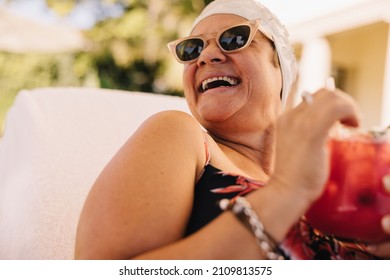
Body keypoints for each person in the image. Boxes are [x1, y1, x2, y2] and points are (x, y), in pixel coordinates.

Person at [74, 0, 390, 259]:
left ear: (279, 67)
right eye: (190, 50)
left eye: (234, 38)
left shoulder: (334, 177)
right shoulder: (178, 135)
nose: (206, 56)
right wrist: (286, 192)